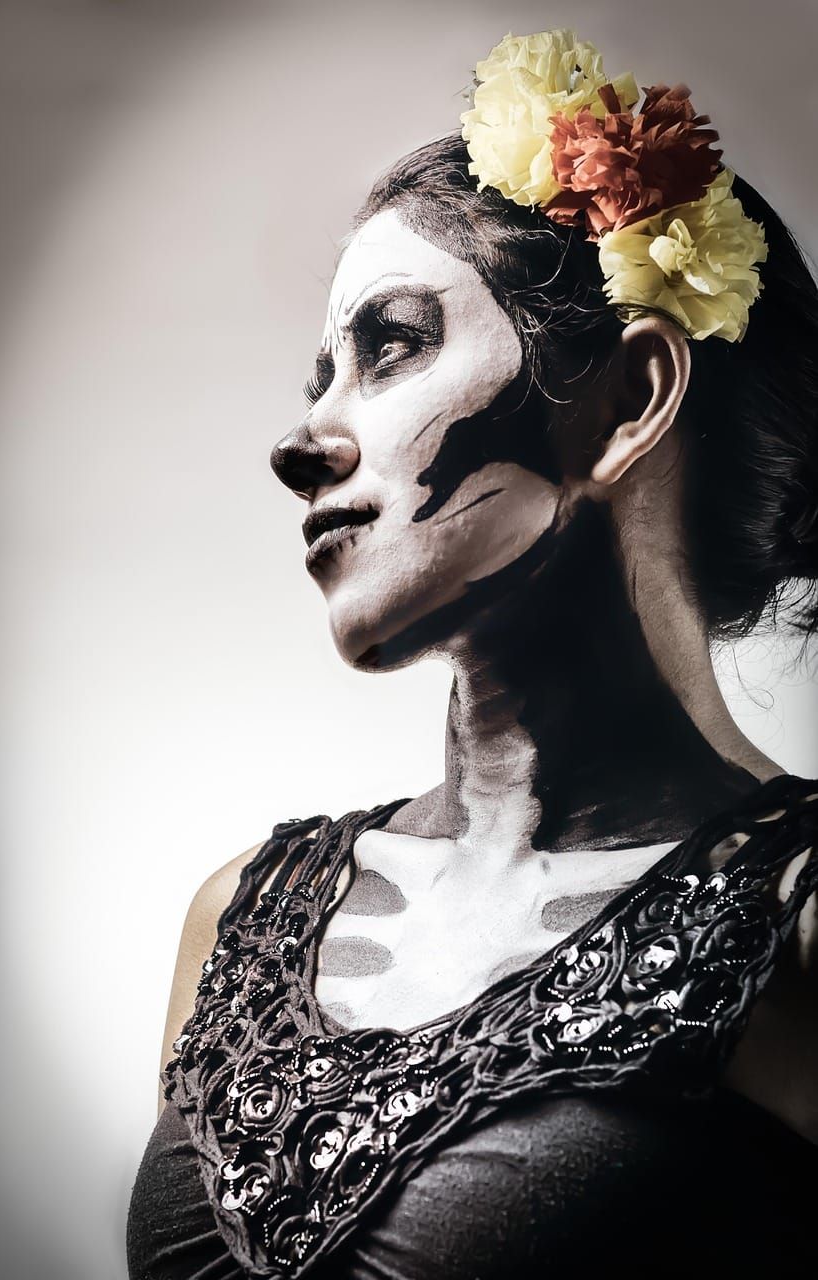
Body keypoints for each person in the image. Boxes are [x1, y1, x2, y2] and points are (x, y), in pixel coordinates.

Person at [127, 28, 818, 1280]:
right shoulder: (238, 914)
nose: (302, 439)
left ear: (623, 402)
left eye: (389, 345)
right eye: (320, 373)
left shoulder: (799, 919)